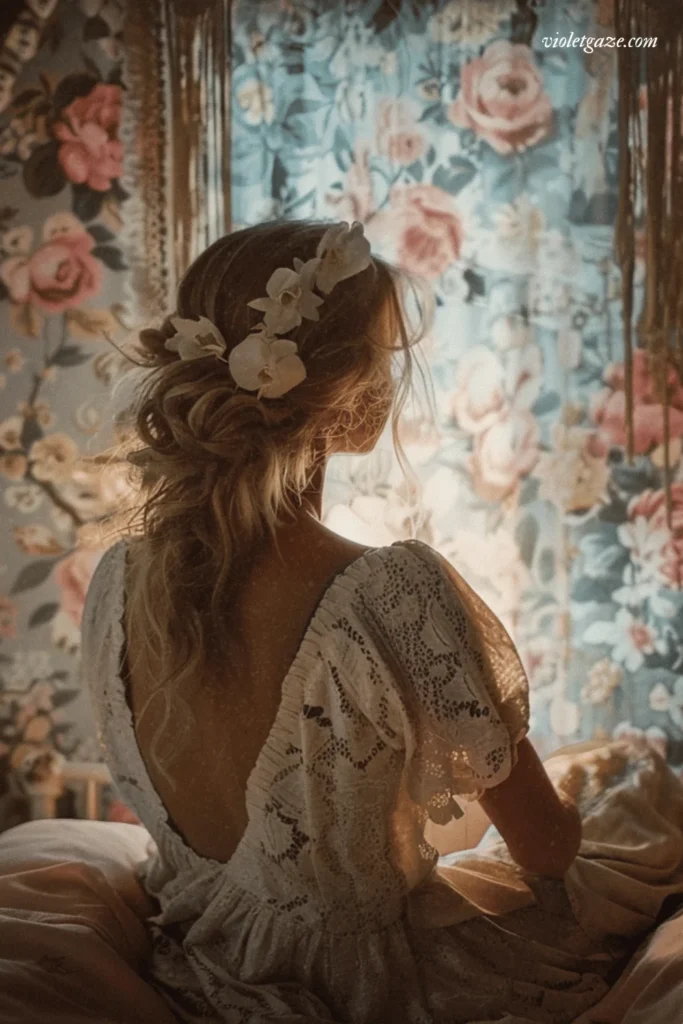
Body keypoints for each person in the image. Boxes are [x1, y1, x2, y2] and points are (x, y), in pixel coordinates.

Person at [81, 219, 683, 1024]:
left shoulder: (116, 580)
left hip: (201, 963)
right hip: (376, 986)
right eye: (385, 356)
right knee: (641, 792)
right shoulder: (389, 594)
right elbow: (547, 850)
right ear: (344, 385)